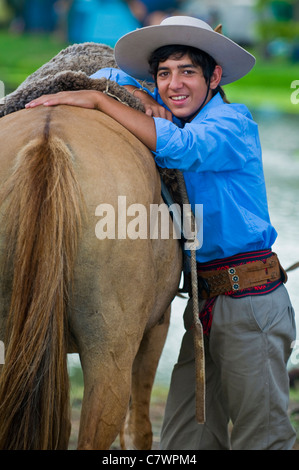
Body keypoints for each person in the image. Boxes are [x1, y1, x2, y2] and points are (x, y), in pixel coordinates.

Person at [26, 16, 296, 450]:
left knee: (262, 438)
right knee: (185, 441)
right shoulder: (165, 108)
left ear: (215, 77)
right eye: (164, 74)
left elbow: (182, 148)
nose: (174, 85)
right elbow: (106, 73)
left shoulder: (232, 123)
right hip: (204, 307)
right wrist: (129, 92)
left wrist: (101, 103)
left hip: (251, 305)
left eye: (189, 72)